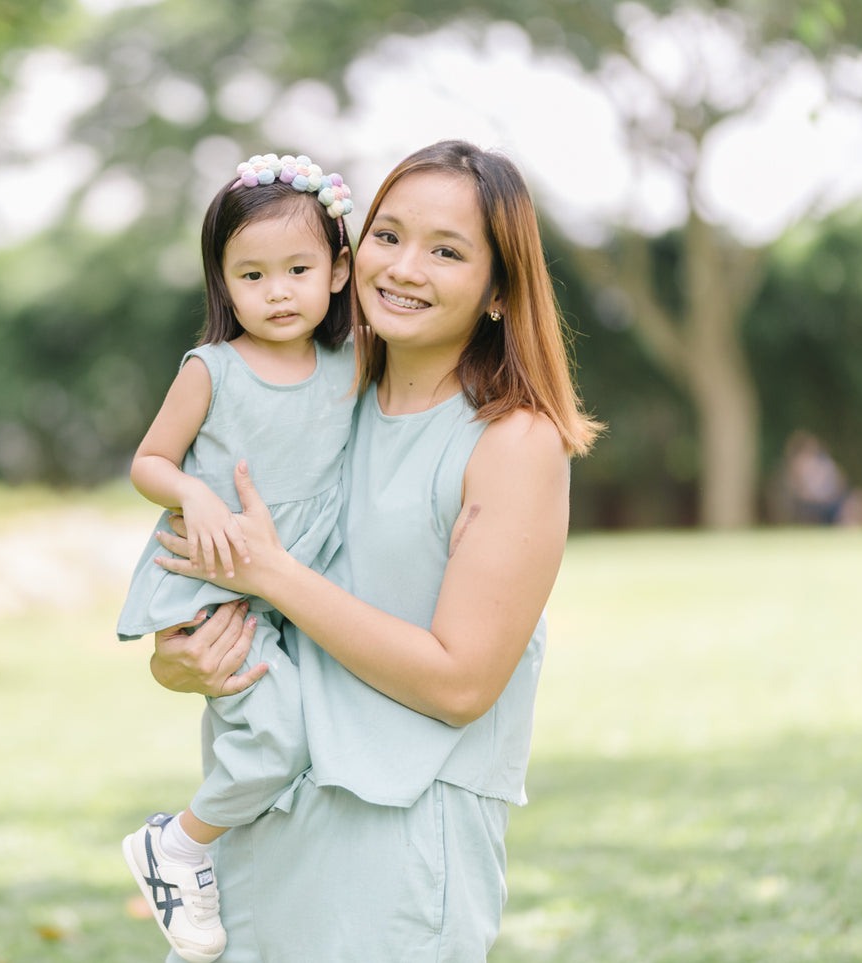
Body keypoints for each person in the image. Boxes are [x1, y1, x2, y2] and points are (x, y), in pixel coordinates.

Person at [145, 139, 603, 962]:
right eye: (388, 237)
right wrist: (177, 660)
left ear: (499, 290)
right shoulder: (316, 395)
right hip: (261, 814)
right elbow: (207, 580)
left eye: (447, 251)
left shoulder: (511, 443)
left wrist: (272, 574)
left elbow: (462, 681)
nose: (403, 268)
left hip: (395, 839)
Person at [116, 153, 357, 963]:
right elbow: (149, 460)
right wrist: (196, 494)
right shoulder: (210, 369)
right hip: (219, 578)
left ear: (338, 270)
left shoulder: (350, 363)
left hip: (300, 581)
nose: (278, 290)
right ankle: (178, 845)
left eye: (297, 268)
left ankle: (244, 896)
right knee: (274, 739)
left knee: (271, 738)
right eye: (251, 274)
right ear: (223, 283)